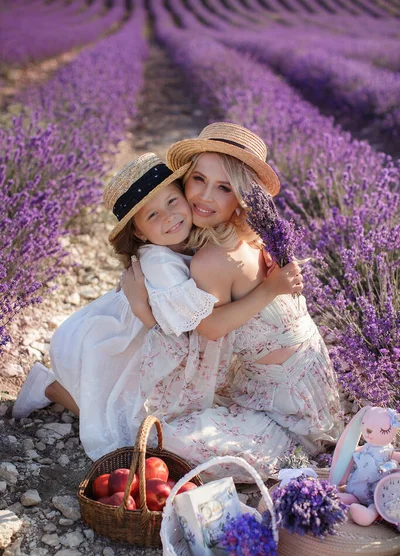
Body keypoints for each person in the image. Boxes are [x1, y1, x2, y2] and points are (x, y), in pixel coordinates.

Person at [13, 152, 303, 472]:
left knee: (116, 406)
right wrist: (140, 306)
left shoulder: (192, 239)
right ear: (138, 233)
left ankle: (57, 386)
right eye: (151, 216)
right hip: (115, 343)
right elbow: (186, 336)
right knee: (120, 429)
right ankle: (49, 387)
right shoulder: (160, 264)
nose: (168, 217)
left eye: (172, 202)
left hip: (139, 340)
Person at [128, 122, 342, 477]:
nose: (204, 196)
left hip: (286, 414)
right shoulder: (256, 233)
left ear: (242, 197)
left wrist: (142, 310)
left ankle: (296, 461)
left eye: (223, 187)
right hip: (315, 394)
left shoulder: (211, 259)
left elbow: (209, 330)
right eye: (199, 179)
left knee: (166, 438)